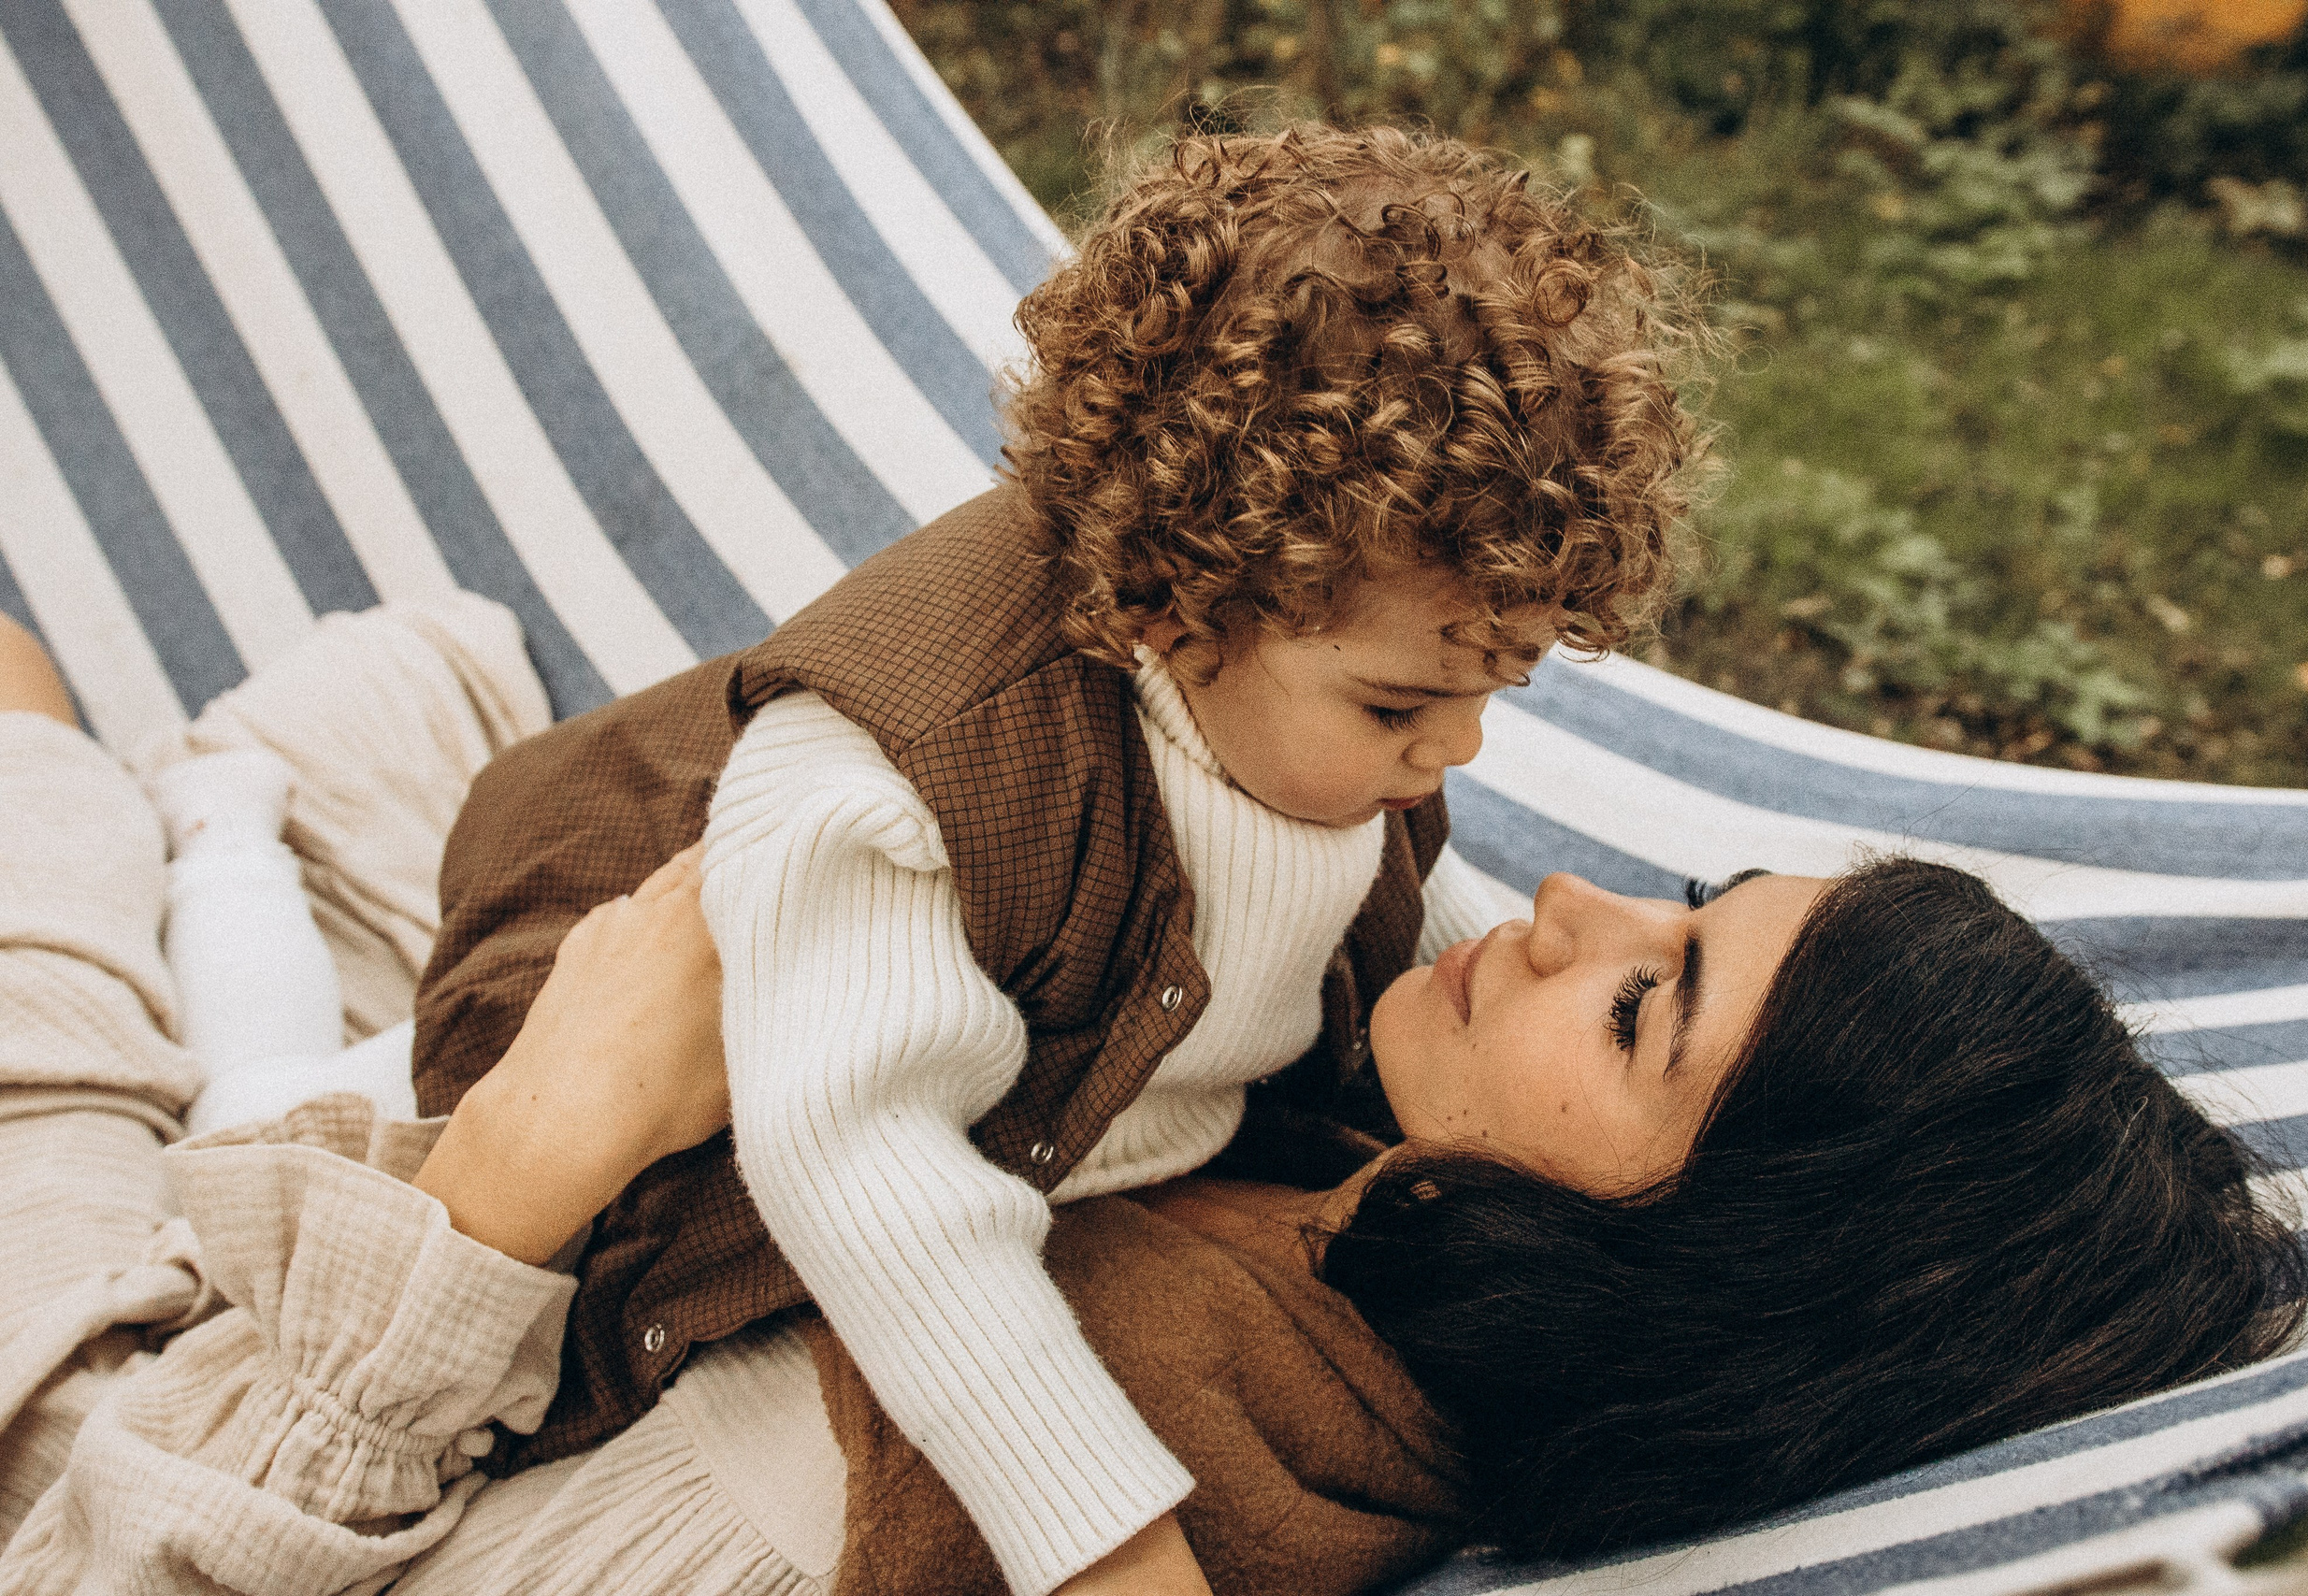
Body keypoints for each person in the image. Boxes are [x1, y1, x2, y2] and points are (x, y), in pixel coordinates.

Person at [0, 611, 2305, 1592]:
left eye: (1643, 1011)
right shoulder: (1354, 1210)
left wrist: (534, 1156)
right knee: (413, 673)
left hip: (135, 1403)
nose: (1569, 896)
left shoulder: (993, 1474)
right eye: (1678, 899)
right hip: (412, 1187)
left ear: (1687, 1268)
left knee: (31, 744)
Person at [407, 121, 1706, 1595]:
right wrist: (1100, 1540)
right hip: (619, 1086)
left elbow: (1387, 925)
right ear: (1170, 600)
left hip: (1015, 1097)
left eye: (1492, 695)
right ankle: (230, 863)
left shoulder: (1322, 708)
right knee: (277, 1126)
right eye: (1407, 705)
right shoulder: (914, 784)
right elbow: (867, 1173)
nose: (1457, 751)